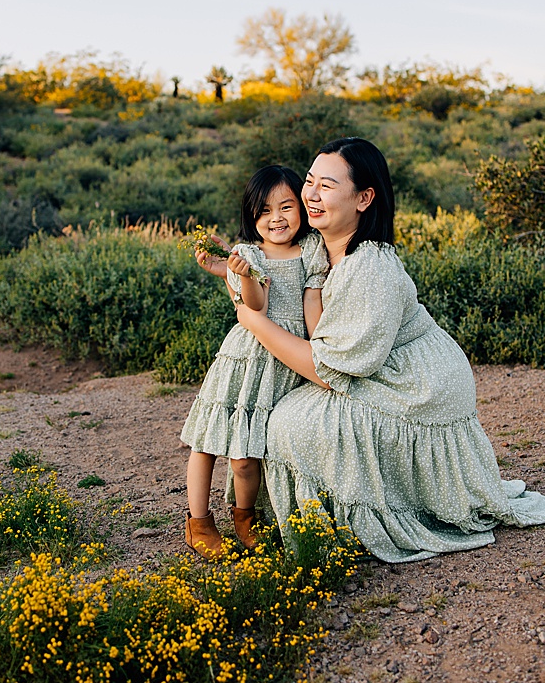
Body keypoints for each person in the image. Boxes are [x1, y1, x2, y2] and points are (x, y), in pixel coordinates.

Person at [224, 137, 545, 562]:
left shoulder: (370, 265)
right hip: (377, 368)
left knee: (288, 423)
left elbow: (326, 368)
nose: (311, 195)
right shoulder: (322, 245)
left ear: (364, 198)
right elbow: (288, 295)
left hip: (416, 384)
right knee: (283, 413)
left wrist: (254, 322)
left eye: (327, 185)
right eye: (309, 182)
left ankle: (359, 516)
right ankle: (301, 513)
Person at [181, 165, 327, 557]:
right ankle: (198, 522)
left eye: (285, 207)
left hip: (285, 358)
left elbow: (313, 296)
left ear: (302, 207)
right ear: (251, 216)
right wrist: (242, 274)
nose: (276, 218)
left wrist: (318, 346)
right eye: (264, 211)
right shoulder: (245, 254)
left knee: (249, 454)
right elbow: (256, 305)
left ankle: (244, 517)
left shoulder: (311, 249)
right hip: (245, 359)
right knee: (209, 441)